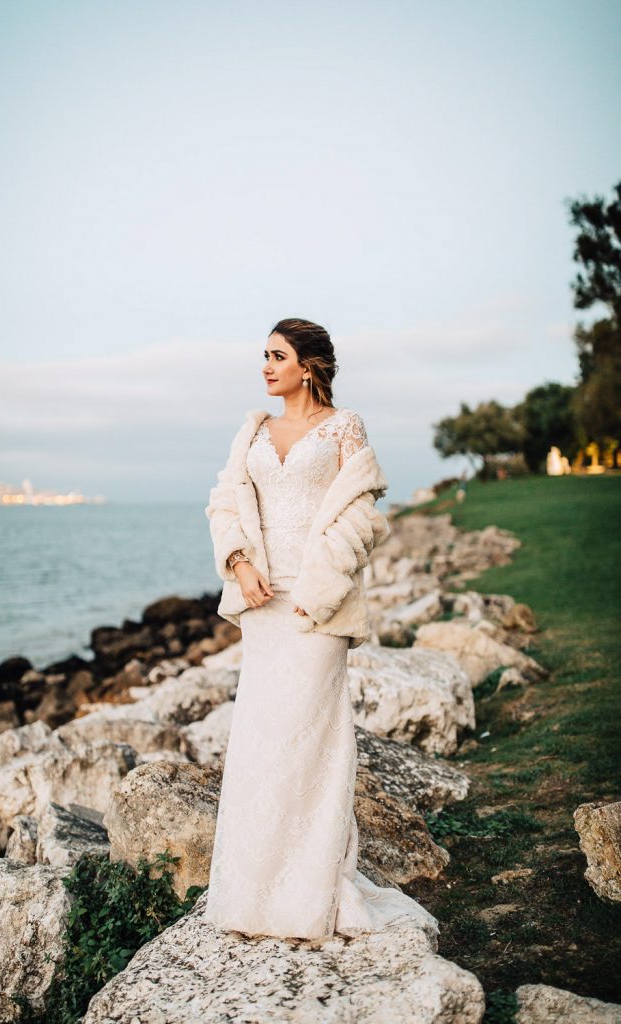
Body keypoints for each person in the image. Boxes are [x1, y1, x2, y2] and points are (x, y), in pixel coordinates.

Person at [203, 317, 439, 942]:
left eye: (278, 356)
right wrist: (239, 562)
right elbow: (225, 502)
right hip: (261, 604)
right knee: (260, 741)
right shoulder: (252, 429)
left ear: (309, 365)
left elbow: (362, 515)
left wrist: (319, 590)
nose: (266, 367)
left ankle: (309, 895)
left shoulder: (344, 428)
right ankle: (252, 896)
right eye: (264, 355)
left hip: (317, 607)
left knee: (308, 744)